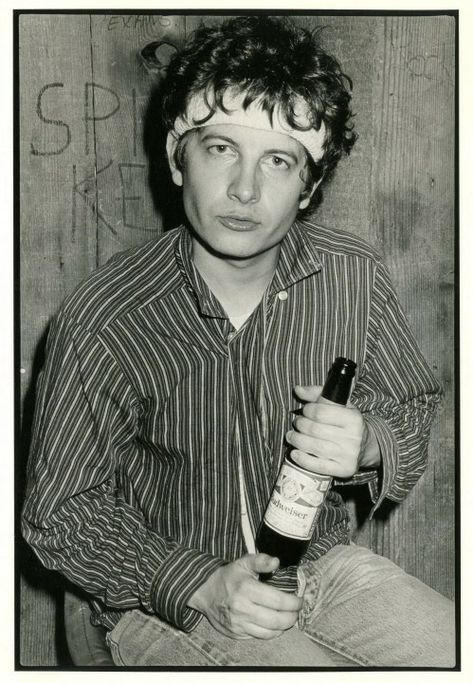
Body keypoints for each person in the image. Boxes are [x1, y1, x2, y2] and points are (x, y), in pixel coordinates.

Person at [22, 16, 455, 667]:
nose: (245, 189)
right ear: (176, 155)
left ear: (308, 185)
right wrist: (197, 581)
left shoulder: (351, 274)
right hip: (163, 598)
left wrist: (369, 438)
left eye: (277, 160)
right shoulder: (105, 314)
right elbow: (59, 511)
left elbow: (413, 403)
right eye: (220, 148)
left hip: (318, 569)